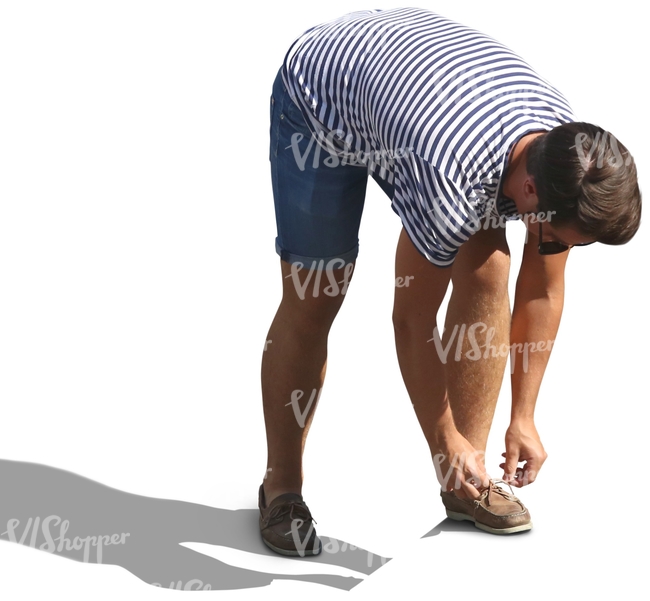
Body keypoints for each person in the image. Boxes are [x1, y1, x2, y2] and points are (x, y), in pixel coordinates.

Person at [257, 7, 641, 555]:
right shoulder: (454, 186)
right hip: (323, 96)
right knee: (318, 292)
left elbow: (542, 288)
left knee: (492, 268)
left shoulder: (569, 156)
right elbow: (412, 319)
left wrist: (524, 416)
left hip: (420, 85)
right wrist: (442, 438)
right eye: (568, 237)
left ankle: (467, 482)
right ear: (529, 193)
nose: (565, 249)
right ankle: (281, 488)